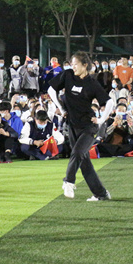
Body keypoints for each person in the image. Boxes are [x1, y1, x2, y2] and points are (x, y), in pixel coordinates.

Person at [48, 51, 114, 202]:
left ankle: (68, 181)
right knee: (84, 163)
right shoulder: (68, 75)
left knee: (77, 153)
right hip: (72, 125)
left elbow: (109, 102)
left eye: (75, 64)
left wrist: (101, 120)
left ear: (85, 65)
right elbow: (51, 90)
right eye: (72, 64)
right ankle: (101, 194)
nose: (73, 67)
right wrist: (61, 108)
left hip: (88, 126)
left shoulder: (92, 83)